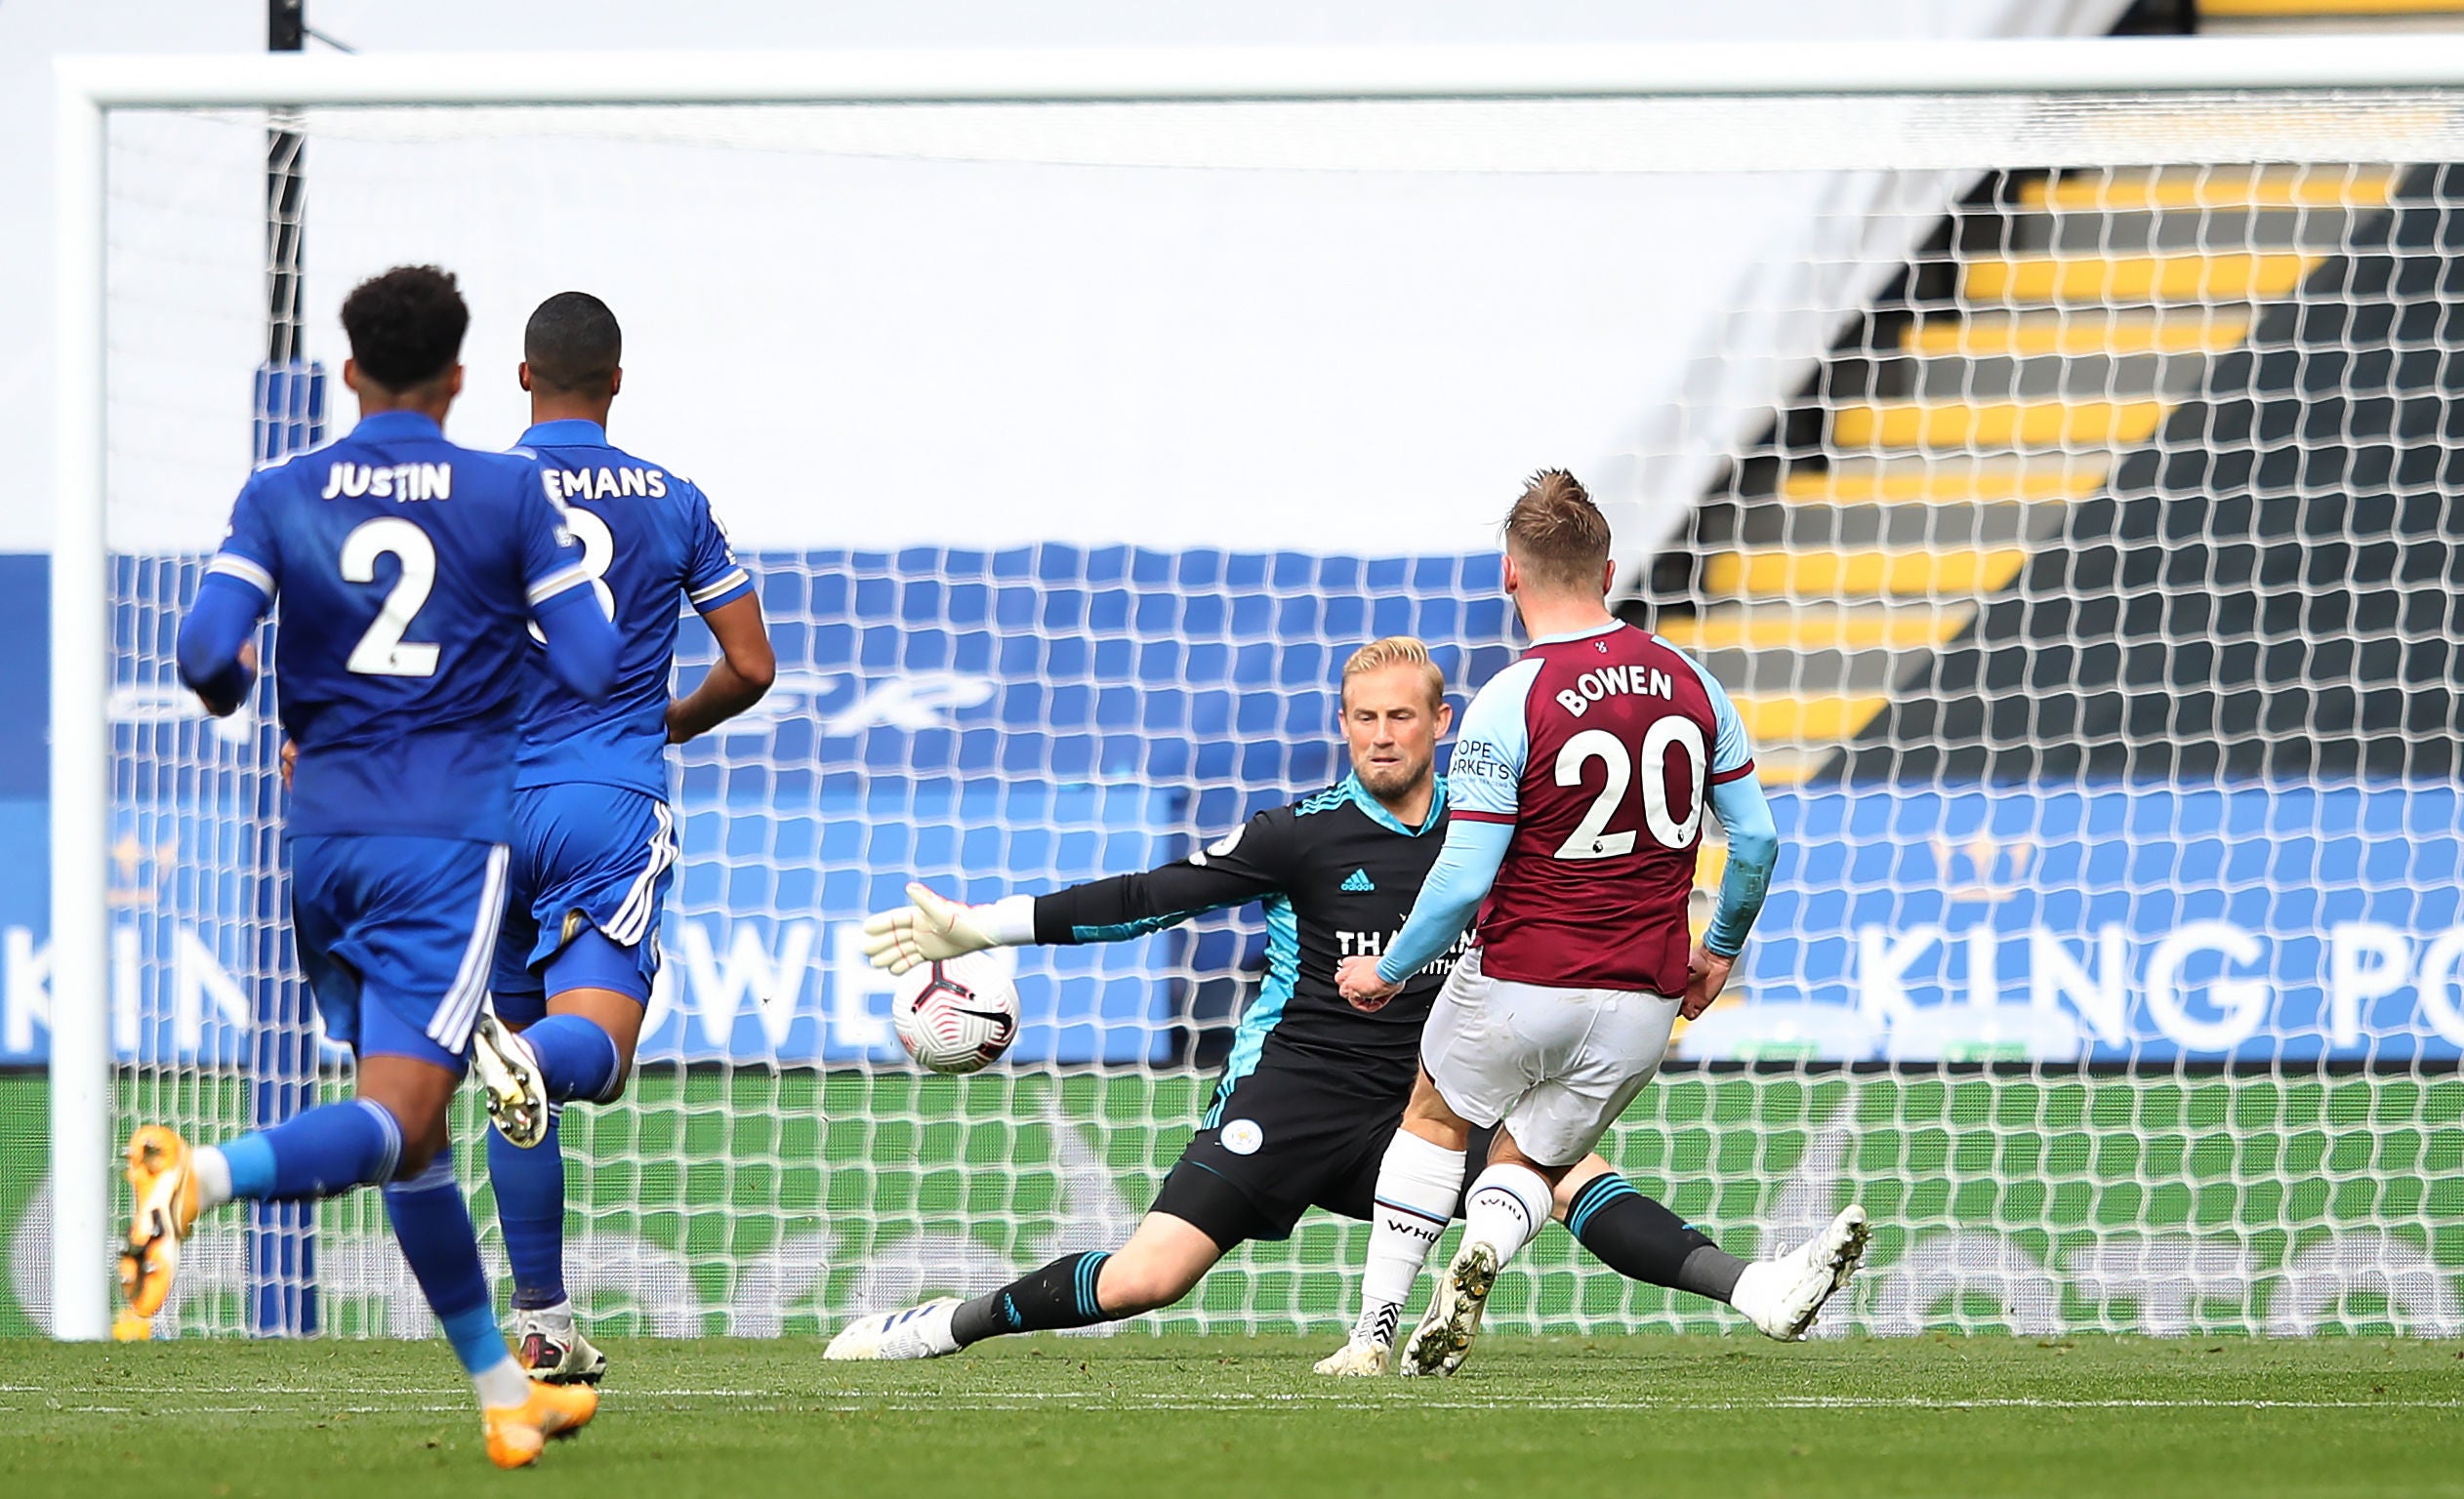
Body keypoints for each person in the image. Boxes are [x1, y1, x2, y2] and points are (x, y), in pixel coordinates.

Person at [825, 636, 1855, 1366]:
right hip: (1292, 1093)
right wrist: (983, 928)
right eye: (1362, 718)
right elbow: (1148, 899)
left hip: (1430, 1096)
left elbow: (1609, 887)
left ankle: (1755, 1289)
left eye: (1402, 716)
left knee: (1564, 1170)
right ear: (1343, 727)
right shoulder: (1298, 834)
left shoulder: (1493, 828)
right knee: (1145, 1279)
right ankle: (936, 1328)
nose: (1381, 736)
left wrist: (1699, 944)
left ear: (1442, 723)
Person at [131, 265, 618, 1467]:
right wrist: (493, 677)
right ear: (459, 379)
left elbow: (204, 654)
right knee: (399, 1115)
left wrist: (250, 692)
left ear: (349, 373)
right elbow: (597, 657)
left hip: (321, 847)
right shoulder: (503, 491)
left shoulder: (281, 488)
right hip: (440, 849)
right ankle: (194, 1177)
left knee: (417, 1139)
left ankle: (508, 1394)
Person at [1331, 470, 1864, 1378]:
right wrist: (1718, 951)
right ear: (1609, 570)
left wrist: (1391, 968)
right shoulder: (1692, 682)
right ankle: (1485, 1254)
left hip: (1521, 977)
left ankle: (1370, 1337)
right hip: (1642, 999)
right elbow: (1761, 842)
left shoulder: (1515, 694)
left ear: (1510, 574)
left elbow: (1464, 878)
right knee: (1531, 1158)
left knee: (1434, 1113)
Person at [465, 291, 775, 1385]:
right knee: (585, 1062)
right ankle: (524, 1056)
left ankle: (543, 1319)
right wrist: (668, 722)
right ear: (617, 380)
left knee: (522, 1094)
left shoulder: (463, 492)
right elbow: (750, 663)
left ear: (521, 377)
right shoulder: (671, 497)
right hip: (601, 803)